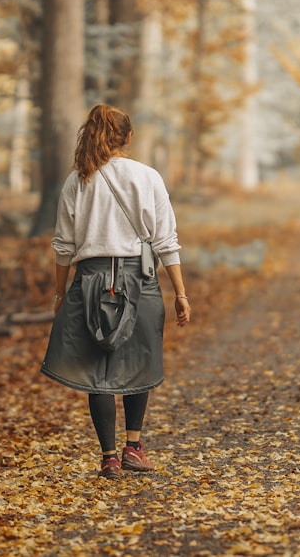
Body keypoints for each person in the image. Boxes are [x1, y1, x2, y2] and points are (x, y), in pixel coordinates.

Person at [41, 103, 190, 480]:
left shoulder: (78, 179)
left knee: (97, 370)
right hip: (139, 280)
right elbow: (166, 240)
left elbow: (63, 245)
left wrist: (61, 294)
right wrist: (180, 293)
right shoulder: (148, 176)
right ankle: (134, 448)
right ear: (126, 137)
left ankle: (109, 456)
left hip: (89, 281)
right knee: (140, 361)